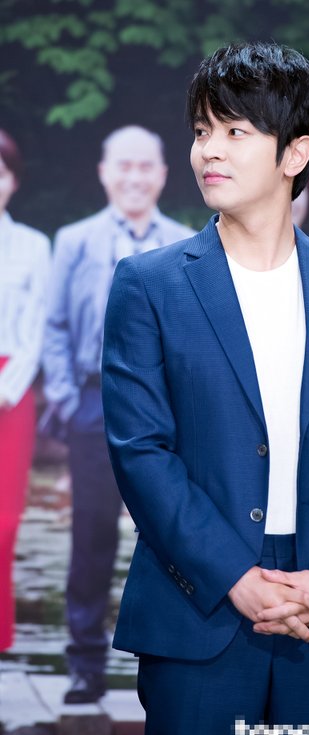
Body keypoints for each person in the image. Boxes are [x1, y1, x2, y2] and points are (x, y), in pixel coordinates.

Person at [102, 44, 309, 735]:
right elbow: (141, 453)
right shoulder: (148, 284)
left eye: (235, 132)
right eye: (201, 131)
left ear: (294, 153)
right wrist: (234, 579)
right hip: (198, 605)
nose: (208, 150)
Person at [42, 125, 195, 704]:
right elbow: (55, 325)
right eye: (123, 166)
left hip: (165, 409)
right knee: (91, 534)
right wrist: (65, 399)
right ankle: (85, 663)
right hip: (92, 402)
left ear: (162, 174)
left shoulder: (185, 242)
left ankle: (174, 660)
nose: (134, 177)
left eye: (144, 166)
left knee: (172, 532)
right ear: (104, 173)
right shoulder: (74, 241)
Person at [0, 129, 51, 651]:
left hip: (10, 396)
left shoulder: (35, 246)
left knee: (5, 523)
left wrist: (6, 389)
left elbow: (37, 331)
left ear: (12, 181)